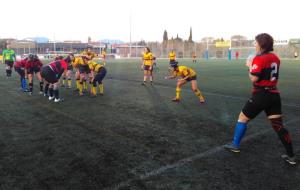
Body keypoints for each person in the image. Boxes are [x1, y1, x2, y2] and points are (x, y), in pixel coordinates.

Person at [224, 33, 296, 165]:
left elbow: (254, 78)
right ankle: (291, 156)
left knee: (242, 118)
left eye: (255, 42)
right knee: (278, 126)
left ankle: (235, 145)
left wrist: (249, 66)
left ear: (261, 44)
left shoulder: (259, 58)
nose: (254, 44)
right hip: (274, 95)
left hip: (261, 95)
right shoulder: (275, 58)